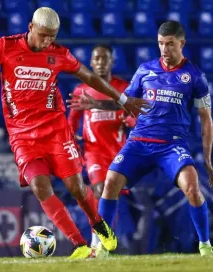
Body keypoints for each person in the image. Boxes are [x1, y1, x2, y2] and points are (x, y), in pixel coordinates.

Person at [0, 7, 150, 259]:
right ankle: (80, 246)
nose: (48, 41)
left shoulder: (58, 53)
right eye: (43, 35)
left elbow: (90, 77)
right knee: (40, 187)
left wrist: (122, 98)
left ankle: (99, 224)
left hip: (56, 131)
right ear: (30, 27)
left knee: (76, 186)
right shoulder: (5, 47)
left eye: (52, 36)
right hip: (22, 136)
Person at [68, 20, 213, 256]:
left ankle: (205, 246)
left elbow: (206, 119)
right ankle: (103, 247)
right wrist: (97, 104)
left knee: (192, 188)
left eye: (170, 44)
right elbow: (124, 102)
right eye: (161, 44)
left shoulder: (195, 77)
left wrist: (207, 159)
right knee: (110, 184)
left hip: (172, 145)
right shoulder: (145, 70)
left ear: (182, 43)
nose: (165, 50)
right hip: (139, 142)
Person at [67, 44, 134, 247]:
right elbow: (72, 120)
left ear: (112, 61)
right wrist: (71, 137)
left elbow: (135, 117)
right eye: (96, 58)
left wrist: (130, 122)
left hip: (119, 152)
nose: (100, 62)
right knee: (98, 190)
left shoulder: (123, 88)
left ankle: (109, 236)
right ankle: (98, 242)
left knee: (110, 195)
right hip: (94, 152)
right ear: (91, 62)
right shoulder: (82, 90)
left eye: (105, 58)